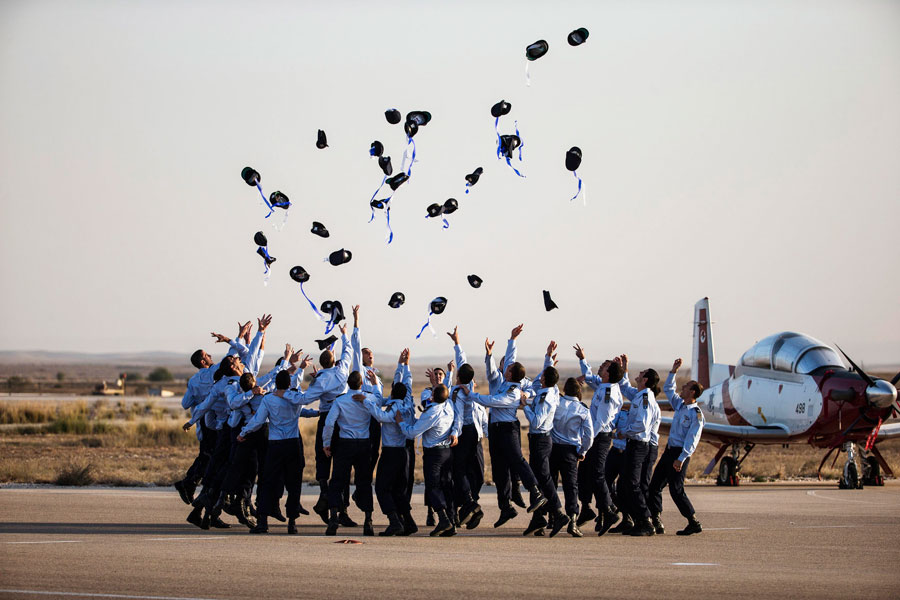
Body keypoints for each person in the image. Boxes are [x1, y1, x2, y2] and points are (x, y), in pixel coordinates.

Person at [459, 335, 547, 527]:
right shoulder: (504, 381)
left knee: (518, 461)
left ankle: (535, 492)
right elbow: (506, 361)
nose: (505, 367)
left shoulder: (513, 391)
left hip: (508, 430)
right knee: (499, 470)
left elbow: (492, 401)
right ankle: (505, 507)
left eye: (508, 368)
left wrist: (471, 394)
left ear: (510, 374)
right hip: (496, 430)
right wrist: (510, 341)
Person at [175, 322, 251, 506]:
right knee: (217, 459)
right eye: (206, 355)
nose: (210, 356)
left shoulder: (194, 381)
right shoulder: (217, 372)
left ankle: (193, 486)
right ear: (203, 362)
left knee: (208, 456)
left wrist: (200, 399)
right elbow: (232, 356)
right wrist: (237, 337)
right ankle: (201, 492)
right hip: (220, 422)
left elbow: (185, 403)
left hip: (205, 422)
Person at [286, 323, 353, 525]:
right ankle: (339, 509)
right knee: (342, 462)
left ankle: (326, 497)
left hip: (326, 418)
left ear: (322, 364)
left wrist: (287, 393)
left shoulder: (321, 381)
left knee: (323, 459)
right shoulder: (342, 372)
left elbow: (305, 399)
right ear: (334, 360)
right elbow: (348, 352)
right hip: (344, 419)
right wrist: (344, 335)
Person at [237, 366, 317, 534]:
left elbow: (258, 420)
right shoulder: (295, 398)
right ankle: (292, 522)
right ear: (289, 384)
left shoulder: (268, 399)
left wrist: (244, 432)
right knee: (294, 483)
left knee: (268, 482)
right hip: (292, 443)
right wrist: (320, 412)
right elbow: (305, 410)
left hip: (275, 444)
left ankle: (263, 521)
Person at [647, 358, 704, 536]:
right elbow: (668, 389)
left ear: (692, 392)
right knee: (655, 485)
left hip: (680, 454)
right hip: (669, 451)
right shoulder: (680, 405)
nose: (683, 387)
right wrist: (673, 371)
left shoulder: (696, 414)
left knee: (676, 489)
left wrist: (682, 458)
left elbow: (692, 439)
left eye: (686, 386)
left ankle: (693, 521)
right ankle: (656, 518)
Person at [364, 348, 416, 535]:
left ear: (393, 393)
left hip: (391, 453)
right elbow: (406, 384)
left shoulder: (394, 408)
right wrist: (403, 365)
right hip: (403, 453)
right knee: (399, 490)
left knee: (382, 488)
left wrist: (366, 401)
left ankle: (395, 521)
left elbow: (381, 416)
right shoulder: (408, 402)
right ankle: (408, 522)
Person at [322, 370, 380, 536]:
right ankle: (368, 520)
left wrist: (326, 443)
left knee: (337, 482)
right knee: (364, 482)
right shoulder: (368, 398)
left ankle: (333, 517)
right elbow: (379, 397)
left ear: (348, 384)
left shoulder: (340, 400)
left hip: (344, 444)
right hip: (363, 444)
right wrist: (375, 383)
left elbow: (329, 423)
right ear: (361, 384)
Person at [575, 345, 624, 535]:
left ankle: (609, 509)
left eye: (604, 367)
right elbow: (589, 376)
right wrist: (582, 358)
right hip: (595, 436)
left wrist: (587, 442)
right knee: (585, 472)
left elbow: (602, 421)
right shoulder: (604, 387)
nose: (600, 368)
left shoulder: (608, 393)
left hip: (599, 437)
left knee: (597, 474)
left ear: (608, 374)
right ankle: (587, 507)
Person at [398, 382, 457, 536]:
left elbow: (413, 433)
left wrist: (401, 423)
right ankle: (451, 521)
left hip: (434, 454)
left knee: (433, 487)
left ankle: (443, 519)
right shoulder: (449, 406)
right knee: (446, 487)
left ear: (432, 396)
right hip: (447, 452)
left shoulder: (431, 412)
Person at [521, 342, 567, 537]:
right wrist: (548, 358)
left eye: (542, 376)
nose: (539, 378)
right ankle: (538, 519)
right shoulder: (551, 391)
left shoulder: (546, 397)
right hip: (540, 440)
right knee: (539, 479)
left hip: (540, 439)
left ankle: (558, 511)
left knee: (544, 479)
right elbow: (550, 377)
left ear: (546, 380)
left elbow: (538, 421)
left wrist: (525, 406)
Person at [615, 357, 662, 536]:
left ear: (646, 380)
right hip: (635, 444)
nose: (639, 374)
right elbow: (625, 387)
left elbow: (641, 424)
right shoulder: (640, 395)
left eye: (642, 374)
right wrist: (624, 369)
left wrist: (624, 431)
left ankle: (646, 520)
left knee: (633, 484)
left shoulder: (644, 398)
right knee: (626, 484)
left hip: (639, 445)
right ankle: (637, 520)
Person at [446, 326, 487, 529]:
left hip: (464, 433)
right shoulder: (468, 386)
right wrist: (457, 343)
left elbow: (459, 416)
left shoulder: (458, 391)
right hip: (475, 435)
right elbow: (463, 364)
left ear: (459, 378)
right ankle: (469, 507)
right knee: (473, 471)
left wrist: (455, 434)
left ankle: (470, 504)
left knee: (461, 470)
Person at [548, 377, 594, 537]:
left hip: (553, 448)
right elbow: (589, 435)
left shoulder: (557, 403)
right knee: (570, 486)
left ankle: (553, 515)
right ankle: (573, 520)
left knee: (550, 482)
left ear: (565, 389)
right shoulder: (582, 409)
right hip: (570, 451)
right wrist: (583, 451)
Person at [351, 306, 383, 491]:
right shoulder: (360, 371)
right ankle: (361, 485)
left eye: (371, 353)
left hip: (376, 417)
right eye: (366, 352)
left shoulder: (376, 376)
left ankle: (364, 482)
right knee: (364, 454)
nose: (370, 354)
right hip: (363, 417)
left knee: (375, 453)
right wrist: (356, 322)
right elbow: (356, 347)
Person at [604, 406, 630, 534]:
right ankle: (616, 508)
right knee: (605, 482)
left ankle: (627, 517)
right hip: (615, 451)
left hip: (629, 452)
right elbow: (611, 424)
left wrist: (622, 433)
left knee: (623, 487)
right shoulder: (623, 413)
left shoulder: (640, 411)